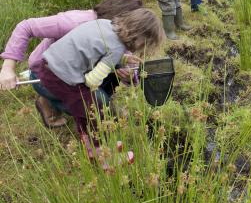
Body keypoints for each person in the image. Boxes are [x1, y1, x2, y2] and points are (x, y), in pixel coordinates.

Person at [0, 0, 144, 128]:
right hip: (46, 74)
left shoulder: (121, 34)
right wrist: (8, 68)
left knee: (108, 87)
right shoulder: (75, 21)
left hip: (79, 72)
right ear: (118, 17)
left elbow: (124, 65)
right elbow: (26, 27)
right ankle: (50, 100)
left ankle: (56, 100)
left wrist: (129, 75)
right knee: (98, 107)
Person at [36, 8, 162, 142]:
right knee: (95, 111)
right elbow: (91, 81)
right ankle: (100, 150)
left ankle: (85, 136)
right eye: (145, 44)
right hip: (61, 77)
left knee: (83, 110)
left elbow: (96, 49)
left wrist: (122, 60)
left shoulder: (105, 23)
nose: (141, 48)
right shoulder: (117, 48)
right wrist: (96, 89)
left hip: (48, 64)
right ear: (140, 36)